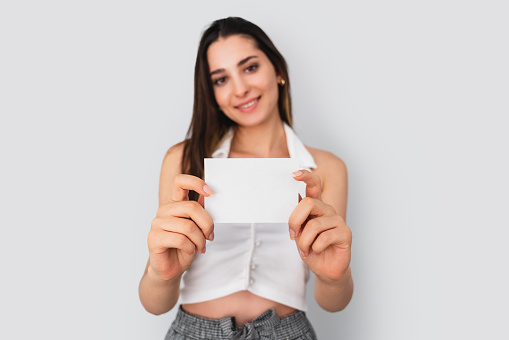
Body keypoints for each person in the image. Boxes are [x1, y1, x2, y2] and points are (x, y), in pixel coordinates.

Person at [139, 17, 353, 340]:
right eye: (221, 79)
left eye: (249, 67)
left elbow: (334, 302)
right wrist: (163, 275)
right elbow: (154, 303)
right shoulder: (184, 160)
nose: (240, 89)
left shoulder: (325, 169)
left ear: (278, 71)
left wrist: (334, 278)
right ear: (211, 92)